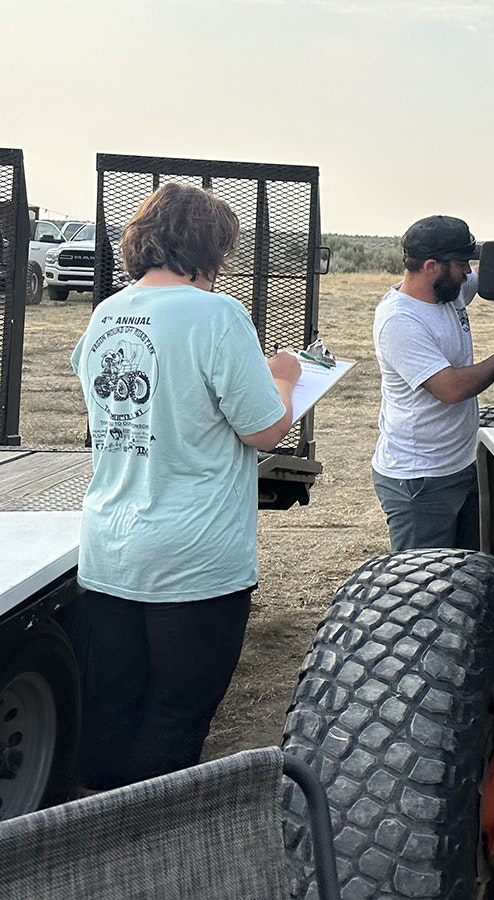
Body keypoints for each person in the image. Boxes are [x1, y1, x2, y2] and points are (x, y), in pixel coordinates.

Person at [69, 182, 301, 791]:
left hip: (109, 549)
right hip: (193, 558)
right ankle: (147, 849)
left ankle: (92, 835)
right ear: (208, 248)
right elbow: (267, 430)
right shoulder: (217, 315)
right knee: (176, 715)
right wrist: (285, 378)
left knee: (112, 708)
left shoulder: (106, 313)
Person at [371, 215, 494, 551]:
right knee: (423, 584)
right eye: (462, 263)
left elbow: (491, 275)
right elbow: (450, 389)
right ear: (432, 266)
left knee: (466, 572)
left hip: (459, 465)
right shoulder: (400, 321)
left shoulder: (448, 291)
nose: (468, 272)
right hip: (420, 480)